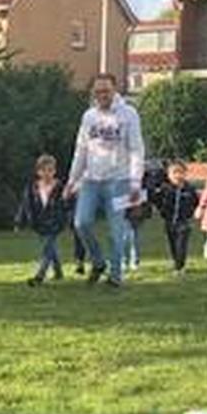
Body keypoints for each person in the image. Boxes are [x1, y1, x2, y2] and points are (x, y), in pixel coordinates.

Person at [65, 73, 146, 289]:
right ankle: (98, 261)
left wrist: (136, 183)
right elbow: (81, 150)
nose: (102, 95)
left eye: (106, 91)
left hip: (119, 180)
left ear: (115, 90)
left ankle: (116, 275)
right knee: (81, 223)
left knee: (116, 230)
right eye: (98, 91)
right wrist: (72, 180)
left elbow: (137, 149)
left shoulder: (129, 114)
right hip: (91, 180)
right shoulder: (89, 116)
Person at [14, 154, 70, 286]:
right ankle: (58, 272)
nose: (47, 173)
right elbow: (25, 205)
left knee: (47, 248)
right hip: (39, 223)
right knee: (51, 248)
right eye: (44, 170)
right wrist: (19, 221)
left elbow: (68, 204)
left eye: (50, 170)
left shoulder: (60, 187)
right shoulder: (32, 188)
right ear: (38, 172)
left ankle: (40, 275)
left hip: (56, 222)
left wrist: (68, 218)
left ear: (54, 171)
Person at [149, 160, 199, 275]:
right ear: (168, 175)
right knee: (173, 244)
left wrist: (194, 211)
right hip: (169, 221)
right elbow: (156, 200)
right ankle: (176, 261)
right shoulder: (166, 188)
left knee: (181, 244)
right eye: (174, 173)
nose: (177, 175)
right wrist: (161, 209)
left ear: (185, 173)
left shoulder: (189, 189)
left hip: (184, 222)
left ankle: (180, 266)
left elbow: (196, 201)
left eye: (180, 172)